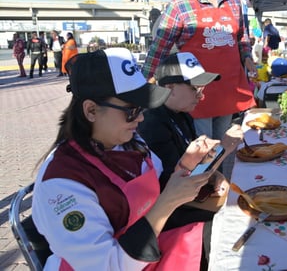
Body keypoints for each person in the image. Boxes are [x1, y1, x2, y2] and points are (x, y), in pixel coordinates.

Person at [31, 47, 223, 270]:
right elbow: (107, 265)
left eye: (142, 107)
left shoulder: (130, 143)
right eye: (131, 110)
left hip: (149, 250)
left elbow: (161, 181)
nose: (140, 117)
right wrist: (167, 202)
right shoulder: (62, 182)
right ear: (91, 110)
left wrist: (186, 166)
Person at [137, 51, 243, 270]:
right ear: (169, 88)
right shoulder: (151, 123)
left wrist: (215, 175)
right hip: (167, 216)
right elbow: (178, 183)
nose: (201, 96)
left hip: (184, 202)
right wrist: (224, 149)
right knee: (236, 222)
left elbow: (193, 165)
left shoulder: (180, 113)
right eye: (195, 88)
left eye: (202, 89)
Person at [142, 0, 256, 141]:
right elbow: (160, 47)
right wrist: (142, 83)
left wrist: (246, 55)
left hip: (228, 89)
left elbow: (242, 35)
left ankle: (221, 173)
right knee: (203, 152)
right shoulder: (181, 3)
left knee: (224, 149)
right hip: (196, 95)